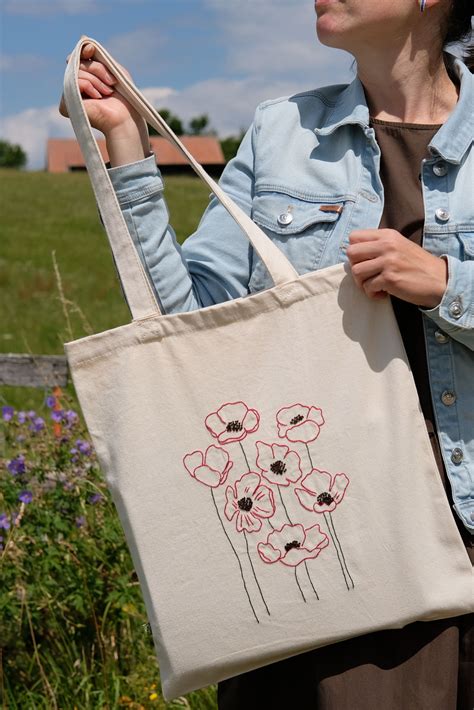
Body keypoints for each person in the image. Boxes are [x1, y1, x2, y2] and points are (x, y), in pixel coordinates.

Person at [60, 0, 474, 707]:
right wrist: (130, 144)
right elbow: (191, 321)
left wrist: (447, 286)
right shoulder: (282, 132)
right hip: (322, 541)